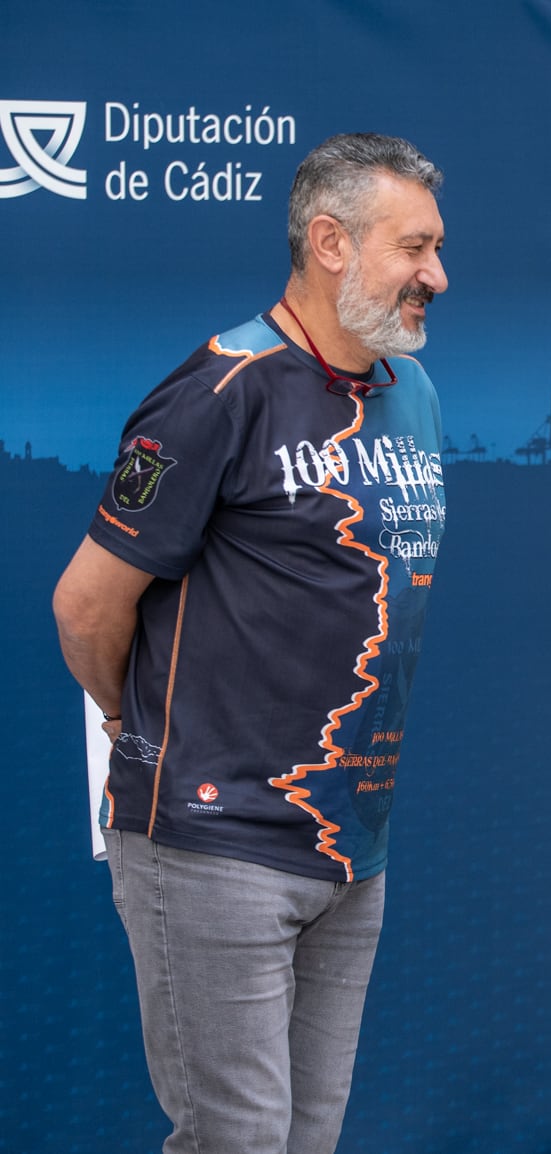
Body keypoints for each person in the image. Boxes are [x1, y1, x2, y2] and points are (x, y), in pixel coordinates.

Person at [50, 133, 449, 1154]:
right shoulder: (218, 390)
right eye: (415, 247)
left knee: (303, 1140)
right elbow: (88, 606)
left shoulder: (416, 395)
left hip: (351, 845)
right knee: (239, 1139)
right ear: (330, 242)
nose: (436, 276)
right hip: (210, 841)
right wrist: (126, 719)